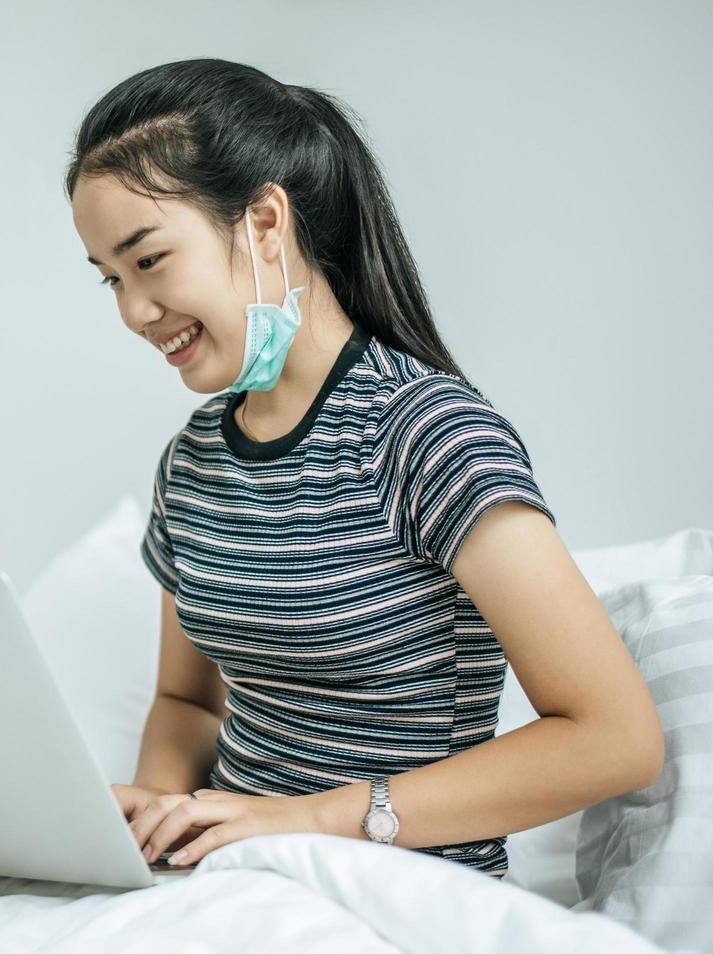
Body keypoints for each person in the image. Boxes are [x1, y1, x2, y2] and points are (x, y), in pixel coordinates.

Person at [67, 58, 664, 878]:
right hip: (226, 889)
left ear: (264, 223)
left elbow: (614, 739)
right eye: (109, 278)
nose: (133, 311)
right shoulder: (192, 461)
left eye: (148, 260)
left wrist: (305, 821)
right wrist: (159, 817)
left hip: (398, 894)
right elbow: (184, 702)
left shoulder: (429, 435)